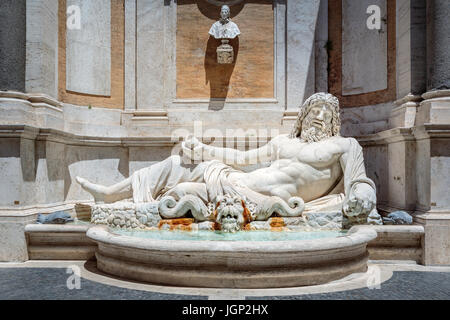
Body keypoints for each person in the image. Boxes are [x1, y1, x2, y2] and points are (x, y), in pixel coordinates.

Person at [76, 93, 381, 223]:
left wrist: (363, 200)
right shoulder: (283, 142)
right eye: (315, 110)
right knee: (177, 163)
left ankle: (126, 207)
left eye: (326, 113)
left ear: (334, 120)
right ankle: (110, 196)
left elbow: (361, 183)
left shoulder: (345, 145)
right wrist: (206, 151)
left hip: (264, 201)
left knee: (182, 194)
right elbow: (242, 157)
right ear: (304, 115)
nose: (320, 116)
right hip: (236, 181)